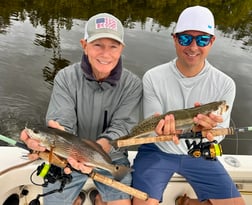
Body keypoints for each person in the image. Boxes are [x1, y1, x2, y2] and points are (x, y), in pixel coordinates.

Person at [20, 13, 142, 205]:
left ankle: (99, 198)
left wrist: (99, 148)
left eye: (113, 46)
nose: (105, 54)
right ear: (84, 45)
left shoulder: (133, 84)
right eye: (97, 45)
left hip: (110, 157)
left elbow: (123, 125)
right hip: (67, 156)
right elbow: (62, 122)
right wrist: (61, 138)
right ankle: (78, 198)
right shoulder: (65, 77)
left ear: (121, 49)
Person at [131, 5, 245, 205]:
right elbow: (152, 126)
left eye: (202, 39)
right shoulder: (153, 77)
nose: (193, 47)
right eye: (185, 38)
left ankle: (187, 202)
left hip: (200, 153)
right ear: (175, 39)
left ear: (212, 41)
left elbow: (218, 134)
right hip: (158, 151)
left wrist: (210, 131)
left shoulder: (225, 84)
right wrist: (160, 131)